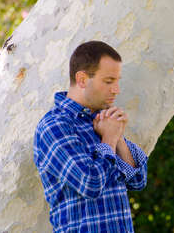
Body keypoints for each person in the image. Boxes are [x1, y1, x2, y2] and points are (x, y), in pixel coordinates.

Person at [33, 40, 148, 232]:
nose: (116, 90)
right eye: (109, 81)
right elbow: (90, 184)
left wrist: (118, 138)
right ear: (82, 80)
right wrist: (110, 139)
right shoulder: (54, 126)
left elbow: (138, 180)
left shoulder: (102, 121)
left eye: (118, 81)